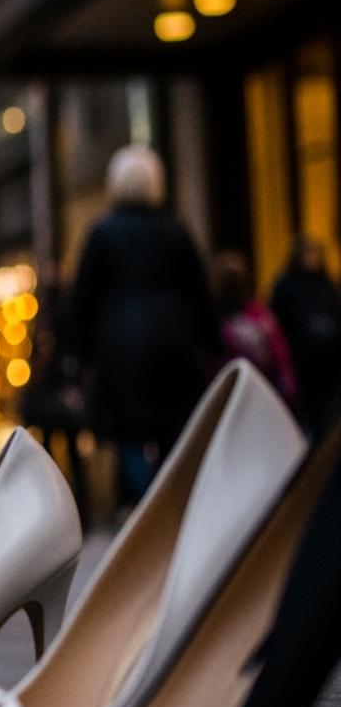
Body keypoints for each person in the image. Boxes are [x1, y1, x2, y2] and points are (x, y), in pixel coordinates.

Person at [70, 145, 219, 506]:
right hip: (175, 344)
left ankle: (146, 510)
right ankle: (170, 507)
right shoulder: (175, 231)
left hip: (121, 348)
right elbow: (199, 292)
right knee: (173, 435)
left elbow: (83, 298)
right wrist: (210, 344)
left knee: (130, 438)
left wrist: (82, 352)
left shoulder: (102, 233)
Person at [270, 237, 341, 428]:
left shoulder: (327, 284)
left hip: (329, 365)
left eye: (314, 253)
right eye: (307, 253)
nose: (311, 258)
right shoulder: (286, 285)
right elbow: (277, 322)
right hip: (300, 362)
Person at [212, 251, 298, 407]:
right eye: (228, 279)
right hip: (227, 396)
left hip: (264, 391)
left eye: (236, 278)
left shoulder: (258, 314)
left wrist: (286, 382)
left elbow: (278, 349)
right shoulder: (213, 319)